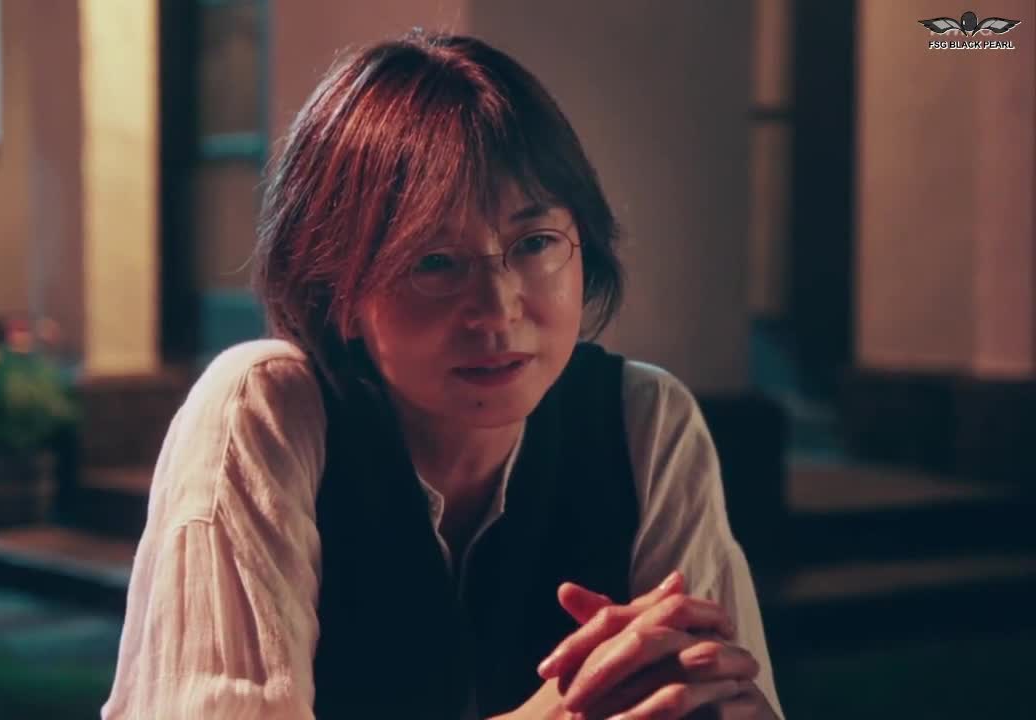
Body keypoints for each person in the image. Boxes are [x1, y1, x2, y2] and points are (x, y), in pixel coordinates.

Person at [102, 30, 784, 720]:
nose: (497, 309)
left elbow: (722, 696)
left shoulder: (643, 421)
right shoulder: (266, 410)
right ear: (336, 289)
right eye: (433, 261)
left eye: (535, 242)